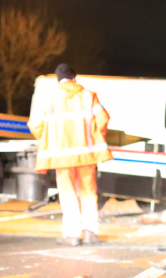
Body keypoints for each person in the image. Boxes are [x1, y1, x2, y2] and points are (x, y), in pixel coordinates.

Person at [28, 64, 113, 246]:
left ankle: (72, 234)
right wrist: (95, 134)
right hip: (87, 154)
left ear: (58, 80)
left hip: (61, 156)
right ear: (74, 78)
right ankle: (90, 231)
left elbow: (35, 124)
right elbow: (103, 118)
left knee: (68, 193)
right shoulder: (89, 96)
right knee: (88, 192)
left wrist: (48, 138)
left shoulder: (49, 98)